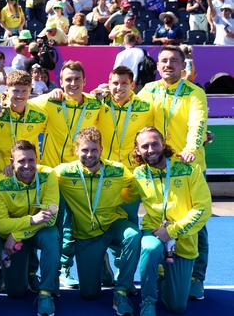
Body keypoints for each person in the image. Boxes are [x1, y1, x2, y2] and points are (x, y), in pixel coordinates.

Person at [137, 45, 210, 298]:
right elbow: (134, 115)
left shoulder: (195, 93)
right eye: (164, 61)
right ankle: (158, 272)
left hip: (186, 166)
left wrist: (192, 147)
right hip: (155, 164)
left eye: (174, 61)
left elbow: (197, 123)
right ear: (157, 66)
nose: (168, 65)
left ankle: (196, 277)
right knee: (157, 217)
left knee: (195, 224)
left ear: (183, 66)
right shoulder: (148, 90)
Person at [30, 61, 103, 288]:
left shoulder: (95, 104)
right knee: (52, 224)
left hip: (81, 174)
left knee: (79, 224)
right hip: (53, 175)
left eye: (77, 79)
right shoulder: (51, 101)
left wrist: (106, 92)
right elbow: (19, 100)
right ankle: (46, 270)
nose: (72, 84)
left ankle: (77, 268)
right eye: (68, 79)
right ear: (60, 82)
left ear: (84, 82)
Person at [55, 127, 141, 314]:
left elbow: (140, 185)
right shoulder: (63, 173)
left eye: (94, 150)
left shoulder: (118, 170)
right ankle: (102, 262)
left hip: (113, 225)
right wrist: (9, 169)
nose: (90, 154)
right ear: (76, 150)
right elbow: (39, 174)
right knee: (89, 294)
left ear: (101, 150)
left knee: (134, 235)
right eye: (84, 150)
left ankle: (122, 290)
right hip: (86, 235)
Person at [130, 126, 212, 316]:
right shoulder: (138, 174)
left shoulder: (188, 168)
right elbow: (122, 195)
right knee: (150, 249)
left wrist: (172, 231)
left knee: (176, 307)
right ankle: (148, 301)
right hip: (155, 232)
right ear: (137, 150)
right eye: (144, 146)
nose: (150, 150)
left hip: (182, 241)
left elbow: (203, 208)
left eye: (154, 144)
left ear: (163, 144)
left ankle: (163, 278)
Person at [0, 140, 59, 315]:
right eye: (21, 161)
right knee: (16, 293)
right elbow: (0, 226)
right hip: (12, 236)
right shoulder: (0, 184)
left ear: (37, 159)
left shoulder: (49, 175)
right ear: (12, 162)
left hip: (29, 233)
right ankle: (26, 269)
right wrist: (31, 220)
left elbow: (50, 219)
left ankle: (46, 293)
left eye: (31, 160)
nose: (27, 165)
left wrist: (18, 233)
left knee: (52, 235)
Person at [94, 66, 154, 222]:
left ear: (132, 85)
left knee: (129, 217)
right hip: (104, 170)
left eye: (124, 83)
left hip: (132, 173)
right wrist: (95, 93)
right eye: (115, 83)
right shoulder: (99, 102)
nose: (119, 87)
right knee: (101, 218)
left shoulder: (146, 107)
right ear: (108, 83)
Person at [0, 70, 48, 177]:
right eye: (15, 91)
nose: (19, 95)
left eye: (24, 91)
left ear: (30, 91)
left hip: (29, 174)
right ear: (7, 90)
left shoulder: (40, 115)